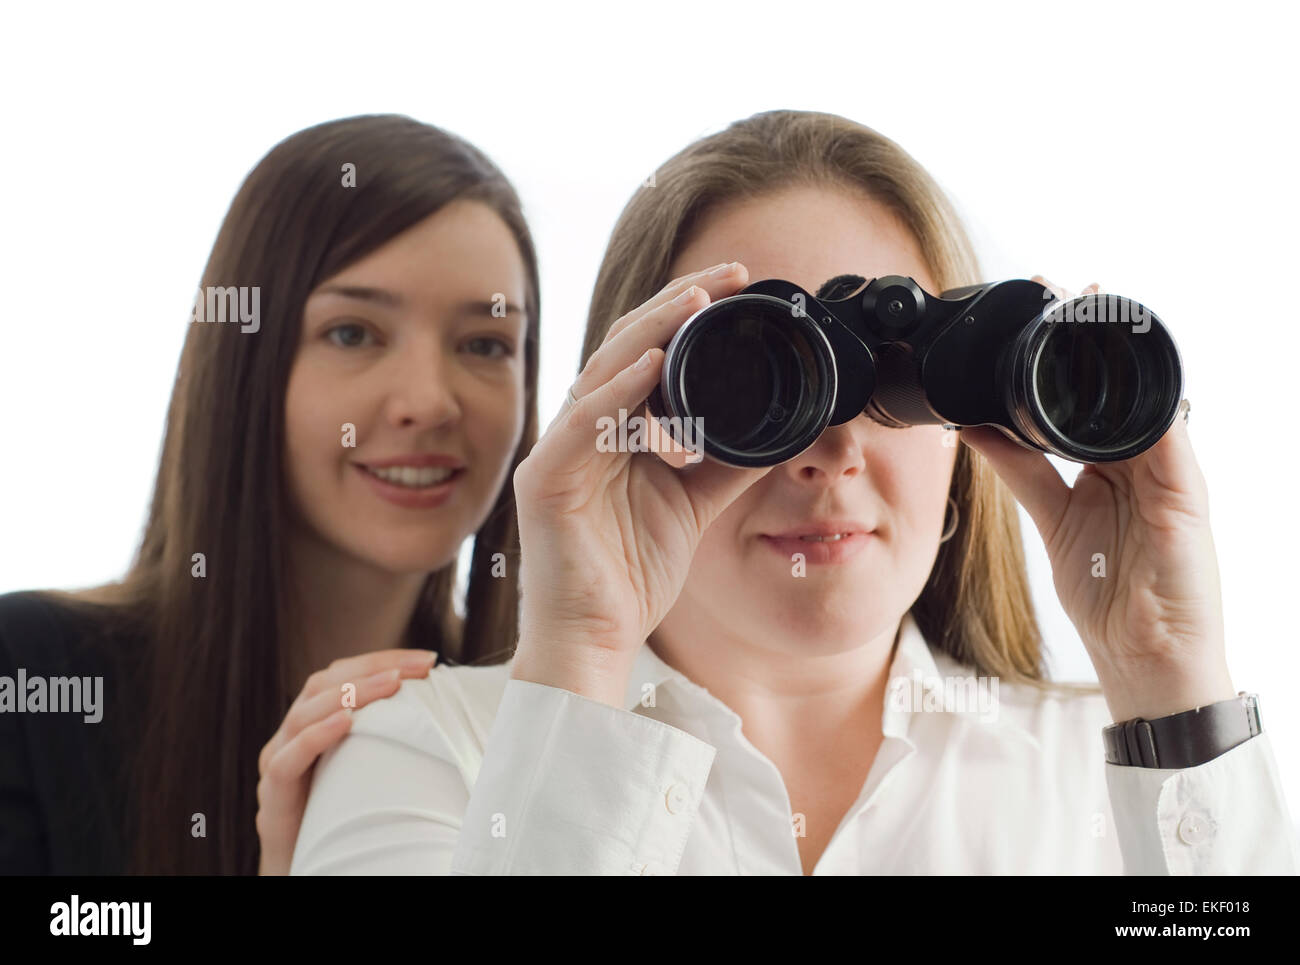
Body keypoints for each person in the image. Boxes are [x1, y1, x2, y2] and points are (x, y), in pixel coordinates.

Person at [290, 109, 1298, 875]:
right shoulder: (423, 750)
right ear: (634, 402)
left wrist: (1167, 674)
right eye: (760, 381)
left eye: (896, 384)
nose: (829, 452)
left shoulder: (1109, 776)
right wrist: (582, 646)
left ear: (963, 437)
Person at [0, 114, 540, 874]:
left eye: (486, 343)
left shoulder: (530, 729)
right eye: (354, 333)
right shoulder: (31, 678)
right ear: (244, 365)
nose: (429, 400)